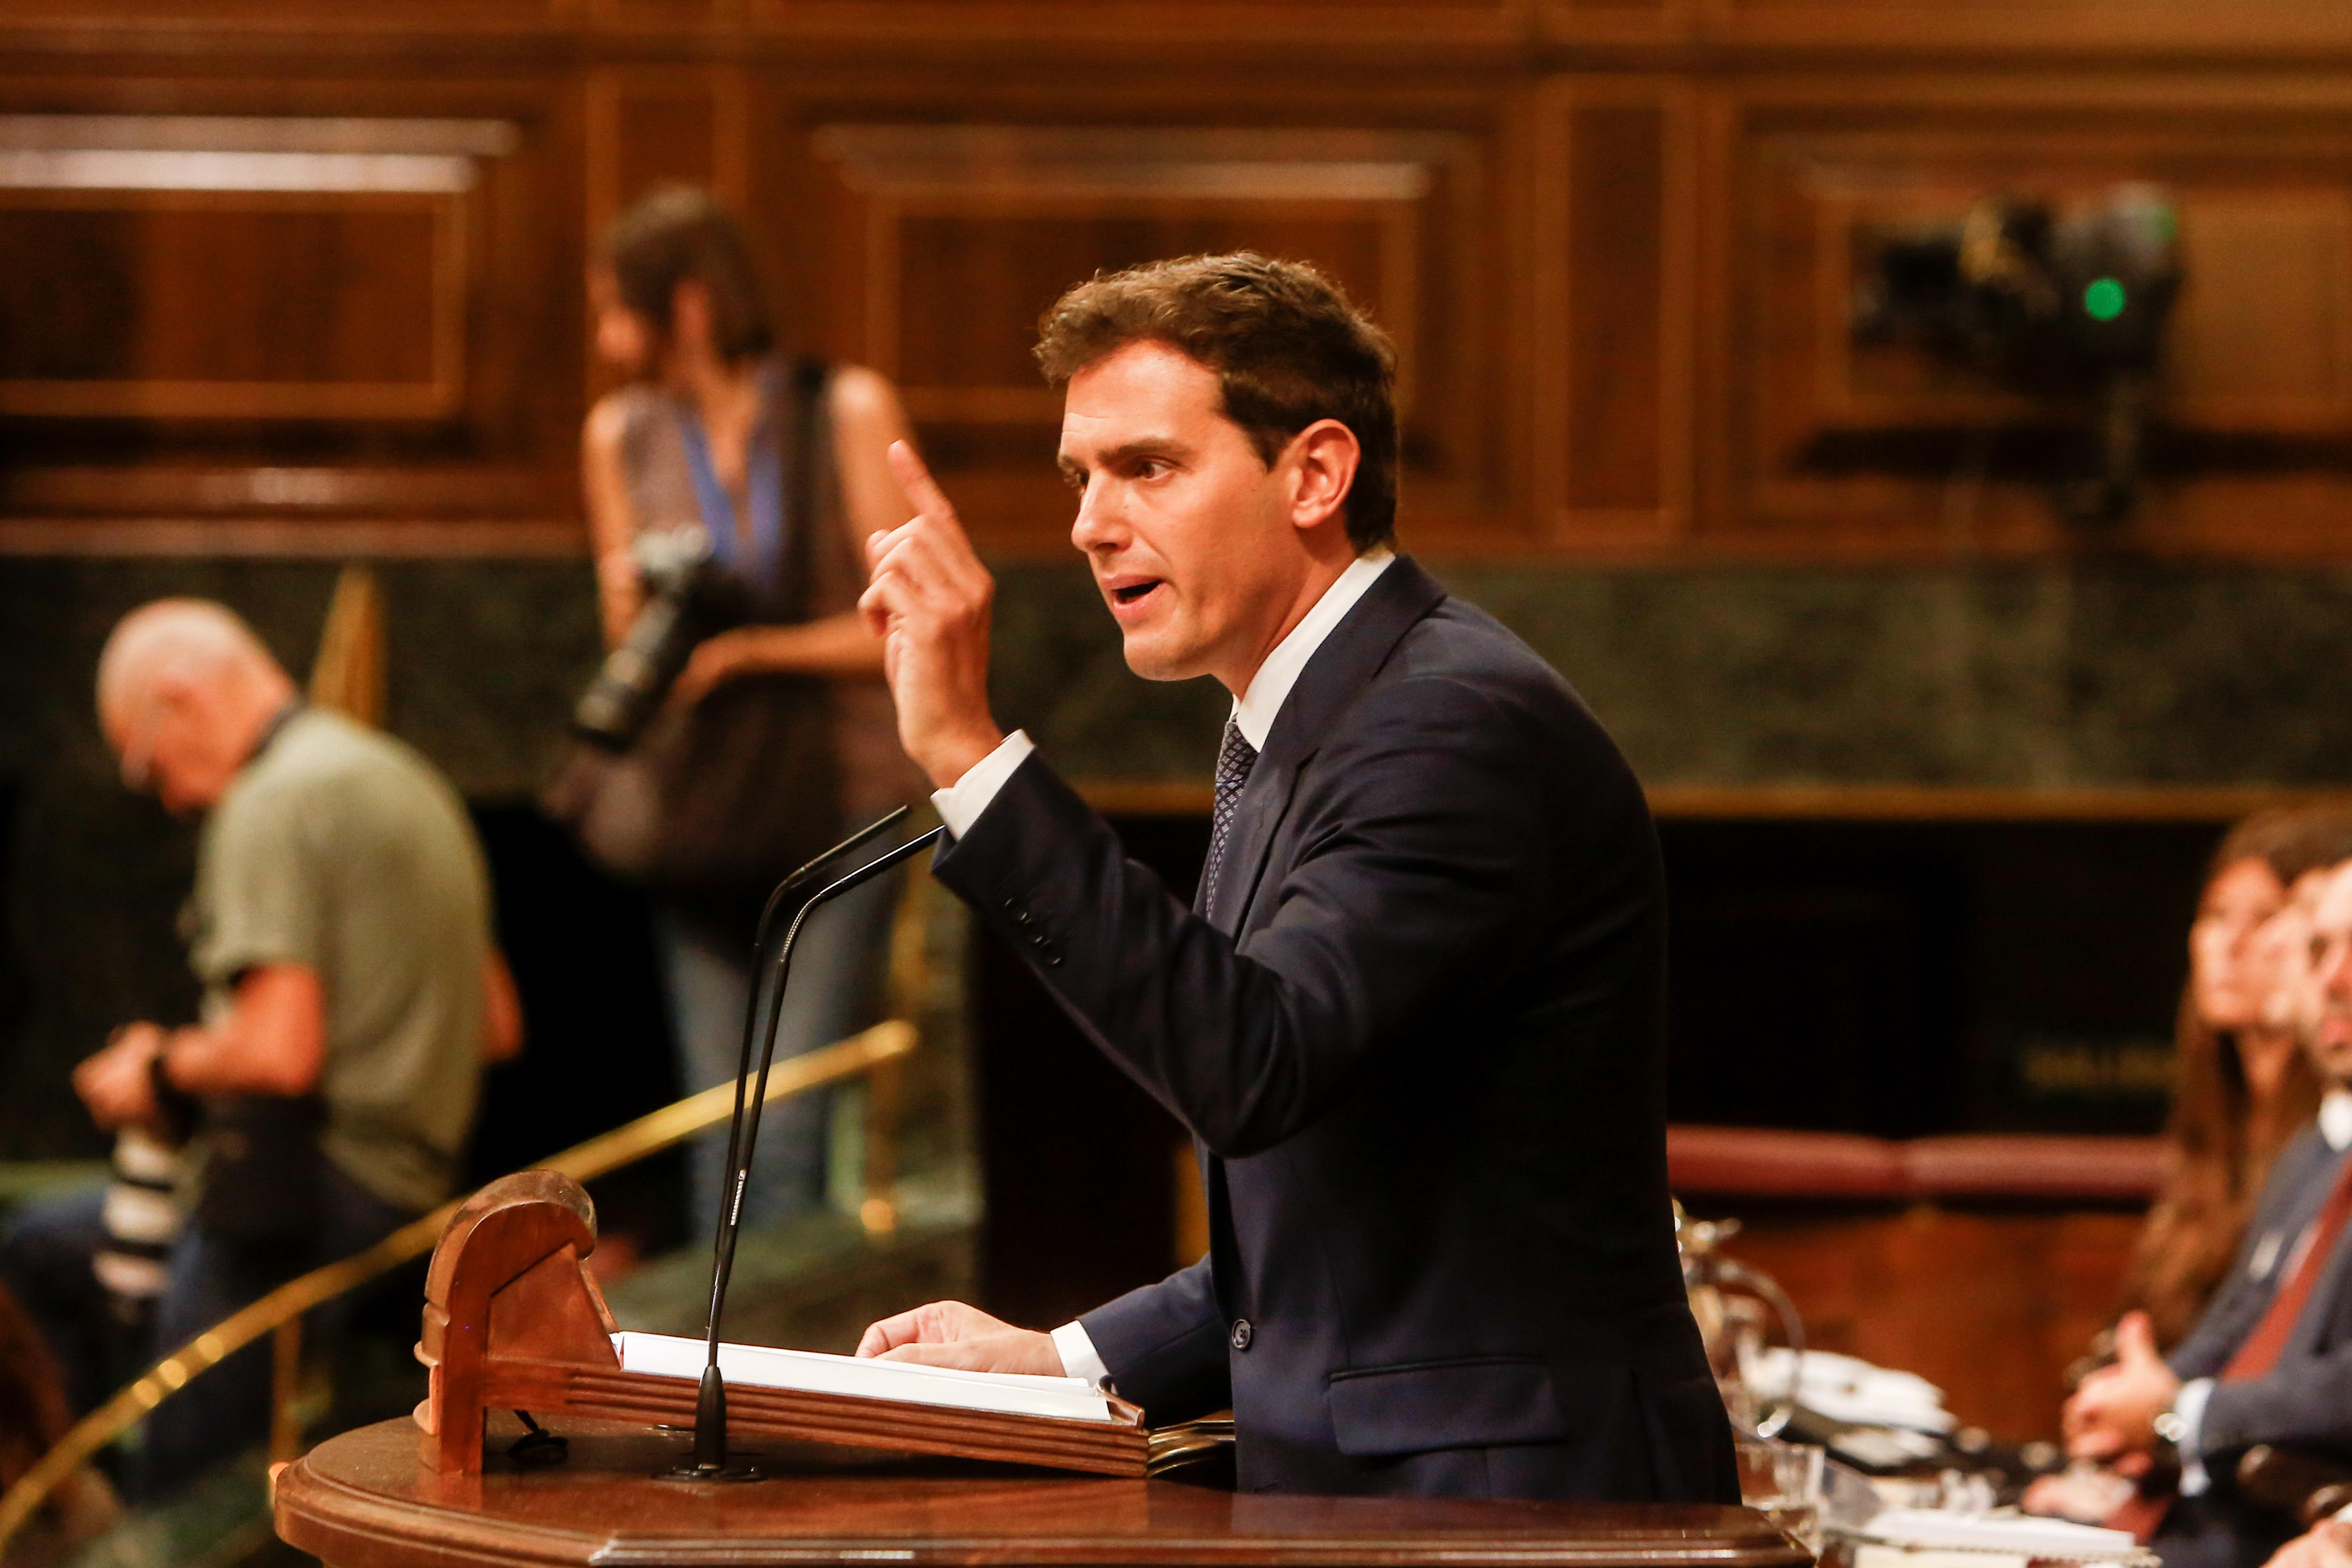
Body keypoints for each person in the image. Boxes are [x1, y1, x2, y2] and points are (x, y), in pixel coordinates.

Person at [851, 253, 1736, 1502]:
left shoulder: (1448, 724)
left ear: (1315, 474)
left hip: (1522, 1513)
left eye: (1146, 466)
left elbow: (1250, 1065)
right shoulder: (1317, 726)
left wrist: (966, 751)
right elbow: (1340, 1229)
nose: (1090, 522)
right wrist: (1059, 1357)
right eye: (1080, 476)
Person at [0, 600, 512, 1496]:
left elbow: (280, 1055)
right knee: (44, 1245)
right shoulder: (402, 776)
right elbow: (497, 1023)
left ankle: (87, 1518)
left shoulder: (270, 800)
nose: (169, 794)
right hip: (421, 1194)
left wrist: (158, 1064)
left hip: (307, 1192)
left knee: (180, 1477)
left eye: (146, 762)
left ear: (182, 695)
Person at [574, 186, 921, 1239]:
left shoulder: (842, 406)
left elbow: (904, 618)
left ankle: (797, 1389)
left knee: (790, 1127)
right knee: (717, 1129)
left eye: (615, 309)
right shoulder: (622, 431)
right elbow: (625, 629)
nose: (602, 338)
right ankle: (720, 1388)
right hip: (699, 813)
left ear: (685, 304)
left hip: (837, 808)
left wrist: (755, 649)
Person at [2063, 858, 2352, 1568]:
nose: (2334, 981)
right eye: (2321, 950)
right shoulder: (2314, 1152)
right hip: (2193, 1520)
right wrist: (2132, 1408)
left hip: (2255, 1528)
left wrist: (2177, 1416)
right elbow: (2240, 1327)